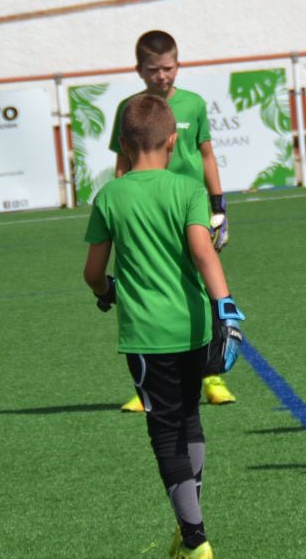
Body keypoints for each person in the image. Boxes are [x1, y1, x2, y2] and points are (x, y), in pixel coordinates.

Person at [83, 94, 246, 558]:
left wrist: (105, 292)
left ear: (122, 142)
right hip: (195, 326)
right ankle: (187, 525)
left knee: (165, 431)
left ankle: (195, 540)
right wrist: (227, 309)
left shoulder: (110, 196)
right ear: (174, 141)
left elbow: (93, 273)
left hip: (146, 336)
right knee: (190, 418)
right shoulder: (187, 190)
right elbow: (203, 251)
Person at [108, 30, 237, 411]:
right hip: (148, 212)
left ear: (178, 66)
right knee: (146, 289)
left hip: (191, 210)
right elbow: (121, 163)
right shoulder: (128, 109)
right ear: (139, 70)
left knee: (199, 287)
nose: (161, 77)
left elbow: (207, 155)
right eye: (153, 70)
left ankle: (211, 377)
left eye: (168, 68)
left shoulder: (194, 105)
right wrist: (121, 210)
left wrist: (219, 206)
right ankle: (143, 381)